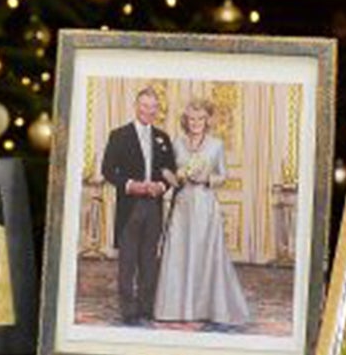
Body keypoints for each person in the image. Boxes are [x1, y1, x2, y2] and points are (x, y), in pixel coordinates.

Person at [151, 98, 250, 329]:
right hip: (183, 204)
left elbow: (223, 175)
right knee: (180, 252)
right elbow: (168, 171)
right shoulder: (177, 143)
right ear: (186, 121)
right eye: (191, 119)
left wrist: (207, 178)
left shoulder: (216, 145)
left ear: (207, 121)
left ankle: (206, 308)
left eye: (200, 119)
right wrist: (173, 176)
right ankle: (176, 308)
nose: (196, 123)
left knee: (204, 254)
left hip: (205, 205)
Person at [98, 87, 179, 324]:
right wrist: (131, 185)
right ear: (136, 106)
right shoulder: (119, 135)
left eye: (153, 107)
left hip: (154, 205)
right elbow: (108, 170)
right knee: (128, 260)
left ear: (157, 110)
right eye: (144, 106)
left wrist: (161, 186)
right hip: (129, 206)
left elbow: (171, 171)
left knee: (148, 259)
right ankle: (128, 309)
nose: (149, 111)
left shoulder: (163, 137)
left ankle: (146, 306)